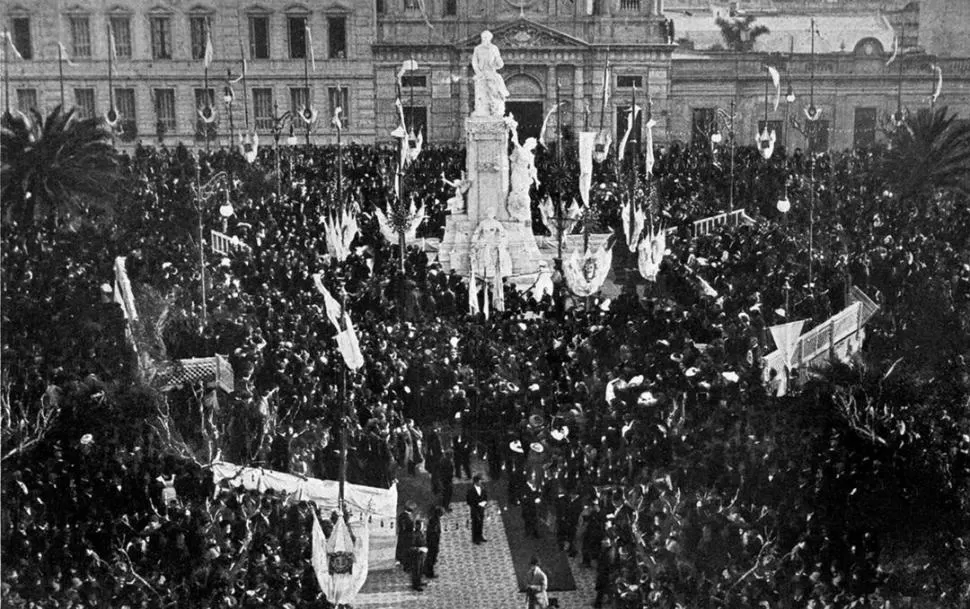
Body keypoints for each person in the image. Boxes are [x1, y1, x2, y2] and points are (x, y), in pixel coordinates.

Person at [471, 30, 509, 117]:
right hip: (481, 74)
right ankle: (483, 111)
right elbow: (474, 62)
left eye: (487, 38)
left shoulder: (494, 48)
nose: (485, 39)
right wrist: (478, 72)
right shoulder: (477, 49)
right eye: (484, 38)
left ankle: (495, 108)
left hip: (491, 72)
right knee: (482, 93)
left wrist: (499, 63)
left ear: (490, 39)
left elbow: (499, 61)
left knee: (496, 86)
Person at [466, 474, 488, 544]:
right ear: (476, 482)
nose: (481, 482)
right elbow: (469, 501)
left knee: (481, 523)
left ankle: (480, 536)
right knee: (475, 524)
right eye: (479, 481)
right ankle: (475, 539)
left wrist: (484, 503)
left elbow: (485, 497)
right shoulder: (471, 490)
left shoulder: (482, 488)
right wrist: (477, 505)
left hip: (481, 509)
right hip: (475, 510)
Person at [424, 505, 444, 579]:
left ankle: (427, 570)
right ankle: (429, 573)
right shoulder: (434, 521)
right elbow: (433, 533)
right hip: (433, 543)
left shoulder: (434, 519)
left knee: (431, 557)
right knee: (431, 558)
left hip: (432, 542)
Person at [410, 520, 428, 591]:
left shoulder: (421, 533)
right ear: (416, 526)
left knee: (420, 569)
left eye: (422, 525)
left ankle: (419, 582)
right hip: (416, 555)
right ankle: (415, 585)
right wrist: (420, 549)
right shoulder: (414, 534)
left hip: (422, 554)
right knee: (416, 570)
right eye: (420, 525)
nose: (421, 527)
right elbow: (411, 547)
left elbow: (423, 542)